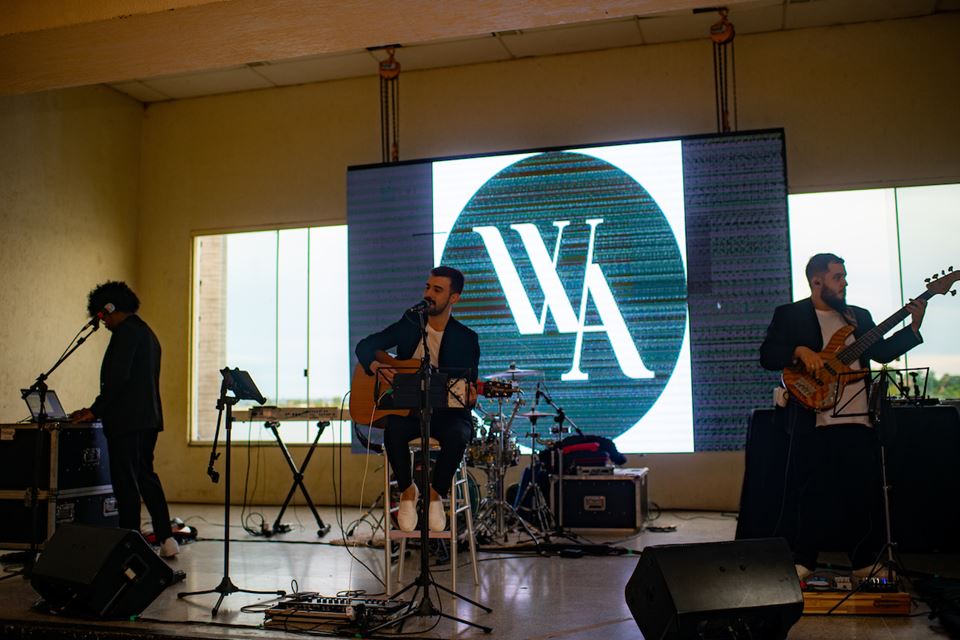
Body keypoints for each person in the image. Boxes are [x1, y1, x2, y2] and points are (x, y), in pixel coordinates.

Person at [759, 253, 926, 579]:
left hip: (857, 418)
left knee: (861, 494)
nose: (844, 283)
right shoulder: (790, 315)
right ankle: (803, 561)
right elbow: (767, 355)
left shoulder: (858, 316)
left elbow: (882, 353)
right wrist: (798, 351)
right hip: (813, 418)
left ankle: (864, 562)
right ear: (816, 281)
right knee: (811, 495)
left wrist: (915, 326)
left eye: (844, 276)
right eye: (838, 277)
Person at [355, 266, 479, 532]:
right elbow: (365, 346)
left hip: (448, 416)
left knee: (458, 434)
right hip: (410, 412)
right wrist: (377, 367)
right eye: (427, 287)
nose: (428, 294)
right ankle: (408, 491)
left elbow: (467, 389)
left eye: (437, 290)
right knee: (394, 431)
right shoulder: (410, 324)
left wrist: (470, 396)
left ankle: (436, 495)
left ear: (453, 298)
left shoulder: (467, 339)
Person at [69, 281, 179, 558]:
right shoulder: (147, 333)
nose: (102, 322)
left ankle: (128, 542)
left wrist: (95, 409)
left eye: (102, 316)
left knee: (126, 482)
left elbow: (117, 379)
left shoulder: (125, 333)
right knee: (145, 476)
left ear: (110, 308)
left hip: (127, 420)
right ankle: (166, 537)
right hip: (148, 418)